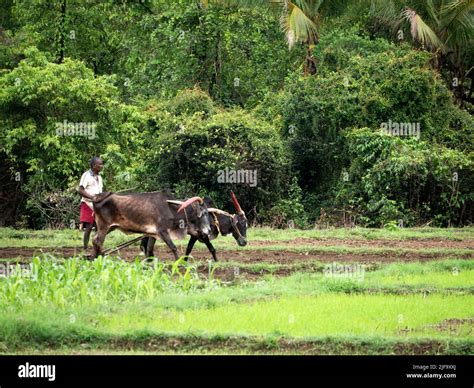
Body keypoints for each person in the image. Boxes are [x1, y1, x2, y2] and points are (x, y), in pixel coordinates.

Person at [78, 157, 104, 250]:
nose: (102, 166)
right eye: (99, 164)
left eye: (102, 164)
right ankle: (85, 247)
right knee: (89, 226)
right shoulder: (86, 175)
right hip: (87, 203)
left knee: (98, 226)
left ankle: (97, 246)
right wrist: (91, 197)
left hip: (97, 204)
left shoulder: (100, 177)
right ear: (94, 166)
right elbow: (80, 190)